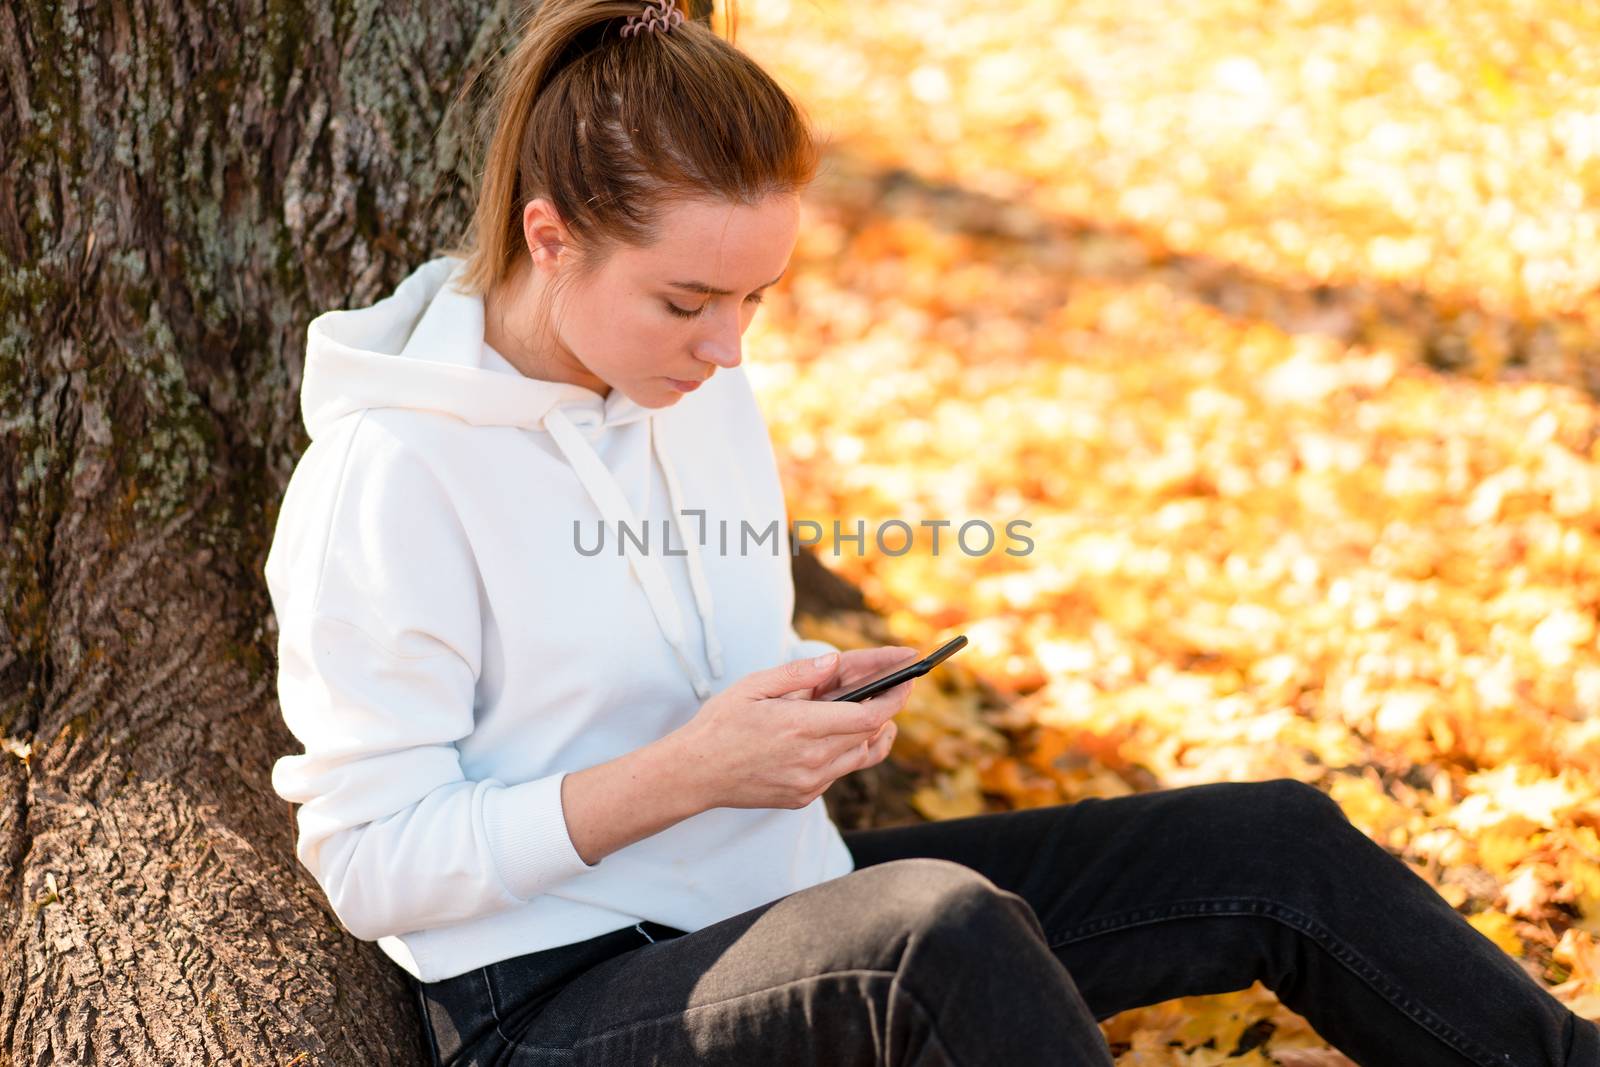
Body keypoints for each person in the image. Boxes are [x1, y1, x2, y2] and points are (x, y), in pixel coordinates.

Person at [262, 1, 1600, 1064]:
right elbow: (373, 861)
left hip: (776, 901)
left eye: (756, 299)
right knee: (933, 937)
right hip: (553, 1003)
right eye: (687, 300)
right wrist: (692, 770)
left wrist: (796, 708)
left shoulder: (687, 387)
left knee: (1277, 846)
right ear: (548, 239)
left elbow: (661, 659)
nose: (729, 348)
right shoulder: (392, 477)